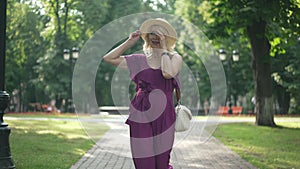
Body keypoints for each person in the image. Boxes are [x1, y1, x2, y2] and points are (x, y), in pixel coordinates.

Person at [103, 18, 182, 169]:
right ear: (147, 37)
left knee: (162, 162)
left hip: (164, 113)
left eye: (160, 34)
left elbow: (167, 73)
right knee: (144, 161)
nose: (156, 36)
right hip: (141, 111)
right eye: (152, 33)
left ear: (166, 37)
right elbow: (108, 58)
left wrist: (164, 47)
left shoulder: (175, 58)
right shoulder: (139, 60)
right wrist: (129, 41)